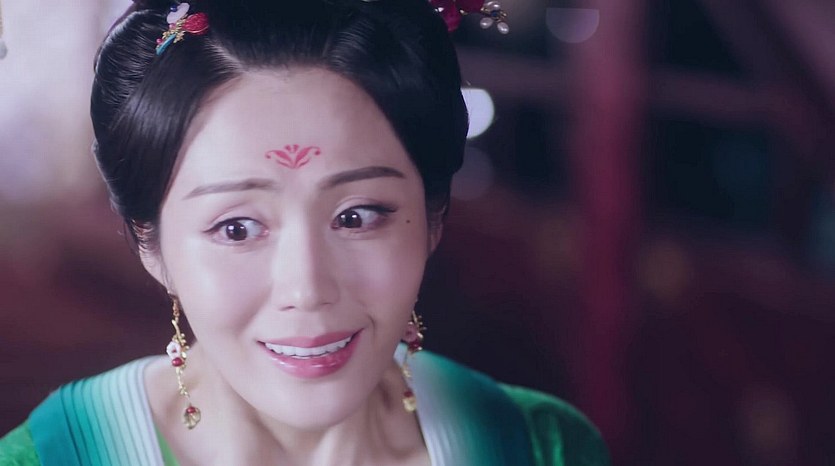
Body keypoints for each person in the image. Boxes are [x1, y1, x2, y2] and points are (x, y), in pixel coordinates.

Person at [0, 0, 610, 464]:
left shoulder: (537, 446)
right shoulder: (53, 457)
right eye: (237, 228)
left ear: (433, 218)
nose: (307, 288)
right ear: (150, 244)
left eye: (357, 216)